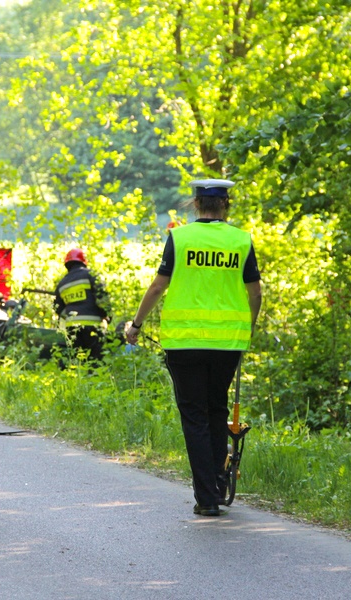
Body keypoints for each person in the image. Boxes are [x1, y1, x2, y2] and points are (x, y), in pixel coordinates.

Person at [125, 179, 262, 517]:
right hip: (227, 343)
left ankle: (207, 497)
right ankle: (215, 483)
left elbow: (159, 286)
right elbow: (255, 292)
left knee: (194, 415)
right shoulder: (240, 240)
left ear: (196, 204)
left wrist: (136, 326)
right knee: (216, 409)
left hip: (185, 343)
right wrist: (249, 326)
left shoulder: (180, 238)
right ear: (225, 205)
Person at [54, 247, 111, 362]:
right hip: (93, 326)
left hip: (72, 329)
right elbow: (102, 298)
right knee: (96, 361)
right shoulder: (91, 275)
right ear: (83, 261)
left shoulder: (62, 283)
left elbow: (58, 308)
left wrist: (70, 317)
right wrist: (106, 315)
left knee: (78, 362)